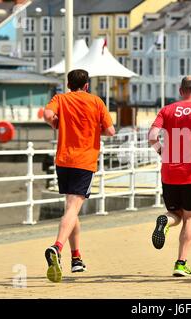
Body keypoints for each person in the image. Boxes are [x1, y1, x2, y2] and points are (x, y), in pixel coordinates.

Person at [43, 69, 115, 283]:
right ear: (86, 85)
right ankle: (57, 246)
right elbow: (111, 131)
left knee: (70, 209)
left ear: (68, 84)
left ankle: (76, 258)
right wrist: (94, 130)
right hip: (84, 162)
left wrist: (56, 124)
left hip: (63, 160)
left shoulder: (60, 99)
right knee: (73, 209)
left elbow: (47, 115)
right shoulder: (96, 102)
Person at [148, 76, 191, 277]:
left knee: (174, 213)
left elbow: (151, 136)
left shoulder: (166, 110)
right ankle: (181, 263)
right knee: (190, 217)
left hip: (169, 171)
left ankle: (165, 221)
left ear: (180, 89)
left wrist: (161, 152)